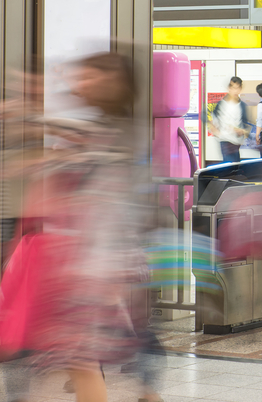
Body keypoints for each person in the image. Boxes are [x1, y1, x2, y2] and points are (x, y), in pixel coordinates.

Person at [0, 53, 153, 402]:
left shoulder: (119, 132)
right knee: (76, 361)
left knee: (80, 361)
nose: (80, 83)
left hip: (95, 270)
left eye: (90, 77)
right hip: (78, 267)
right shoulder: (101, 131)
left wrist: (27, 112)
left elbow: (74, 141)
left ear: (115, 84)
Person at [208, 77, 249, 164]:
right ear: (229, 88)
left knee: (235, 166)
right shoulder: (221, 104)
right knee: (230, 166)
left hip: (236, 141)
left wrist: (242, 131)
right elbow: (213, 120)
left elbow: (245, 124)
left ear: (240, 89)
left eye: (237, 88)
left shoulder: (242, 105)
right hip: (225, 140)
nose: (235, 91)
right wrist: (214, 129)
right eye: (233, 88)